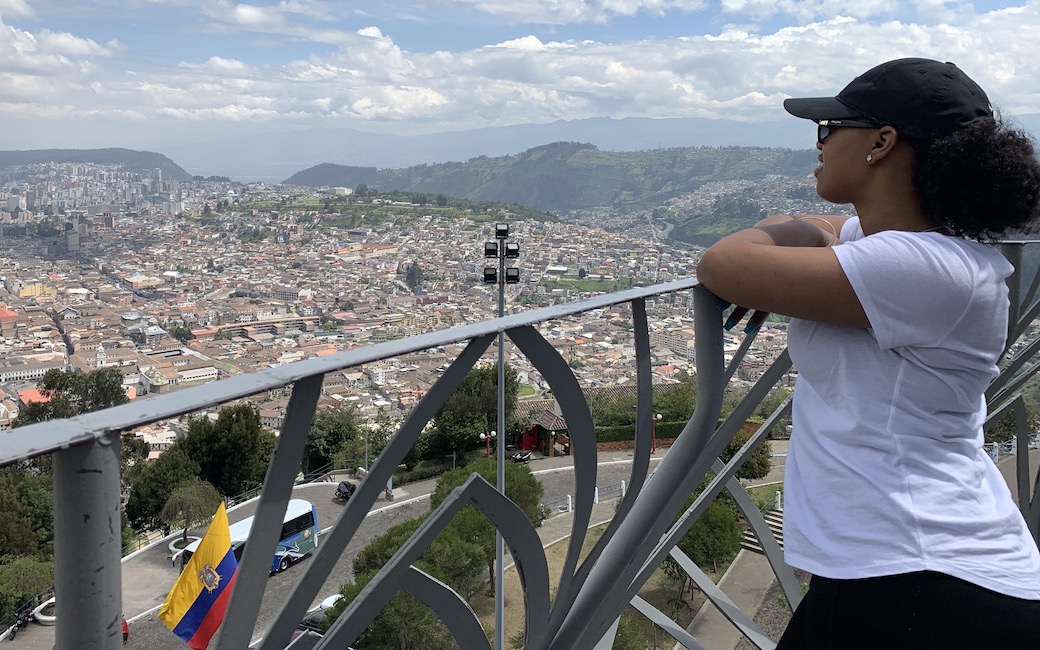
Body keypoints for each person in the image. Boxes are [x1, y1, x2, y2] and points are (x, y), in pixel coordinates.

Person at [696, 58, 1040, 648]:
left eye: (830, 127)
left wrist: (777, 254)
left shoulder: (919, 268)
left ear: (881, 142)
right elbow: (820, 229)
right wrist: (795, 256)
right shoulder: (906, 249)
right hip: (904, 566)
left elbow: (721, 264)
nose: (821, 144)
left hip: (921, 578)